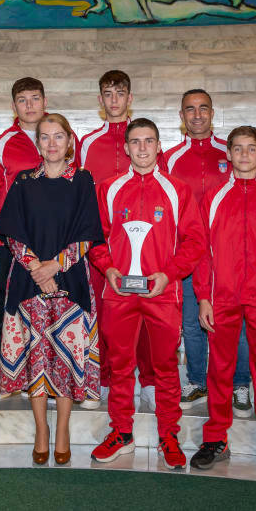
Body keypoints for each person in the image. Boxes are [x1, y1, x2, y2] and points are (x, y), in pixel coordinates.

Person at [89, 118, 205, 470]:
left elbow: (195, 241)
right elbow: (95, 237)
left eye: (148, 141)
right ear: (125, 148)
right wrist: (107, 267)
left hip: (162, 294)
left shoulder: (178, 190)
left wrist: (168, 274)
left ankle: (168, 433)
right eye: (135, 142)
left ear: (159, 146)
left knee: (166, 367)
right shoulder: (108, 188)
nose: (142, 148)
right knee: (120, 366)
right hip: (119, 294)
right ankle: (121, 433)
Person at [187, 126, 256, 480]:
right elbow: (203, 253)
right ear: (229, 154)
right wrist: (204, 296)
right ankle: (216, 439)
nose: (244, 155)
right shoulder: (214, 198)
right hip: (221, 300)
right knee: (219, 371)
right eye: (237, 149)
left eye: (251, 149)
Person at [0, 114, 103, 466]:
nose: (52, 144)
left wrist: (55, 266)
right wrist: (37, 270)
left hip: (70, 282)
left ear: (69, 141)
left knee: (67, 358)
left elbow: (89, 232)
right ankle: (42, 429)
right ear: (38, 142)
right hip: (29, 283)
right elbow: (12, 232)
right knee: (36, 360)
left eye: (59, 137)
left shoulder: (83, 180)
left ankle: (62, 431)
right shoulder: (24, 182)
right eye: (45, 137)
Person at [162, 89, 252, 416]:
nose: (197, 115)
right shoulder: (169, 157)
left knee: (236, 323)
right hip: (187, 255)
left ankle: (240, 383)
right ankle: (197, 378)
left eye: (203, 108)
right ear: (181, 115)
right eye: (190, 109)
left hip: (228, 256)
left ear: (212, 113)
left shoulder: (229, 154)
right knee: (191, 321)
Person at [76, 70, 154, 411]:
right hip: (102, 247)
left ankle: (149, 381)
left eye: (120, 93)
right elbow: (80, 196)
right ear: (100, 100)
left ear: (130, 98)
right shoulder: (88, 143)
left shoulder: (145, 138)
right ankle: (105, 379)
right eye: (107, 93)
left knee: (147, 312)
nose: (114, 100)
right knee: (105, 314)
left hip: (144, 246)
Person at [0, 77, 67, 407]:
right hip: (13, 245)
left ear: (44, 101)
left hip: (52, 245)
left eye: (35, 98)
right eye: (23, 100)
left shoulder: (57, 137)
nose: (30, 105)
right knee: (5, 309)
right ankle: (2, 377)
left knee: (52, 311)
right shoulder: (3, 142)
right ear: (14, 106)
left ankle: (49, 377)